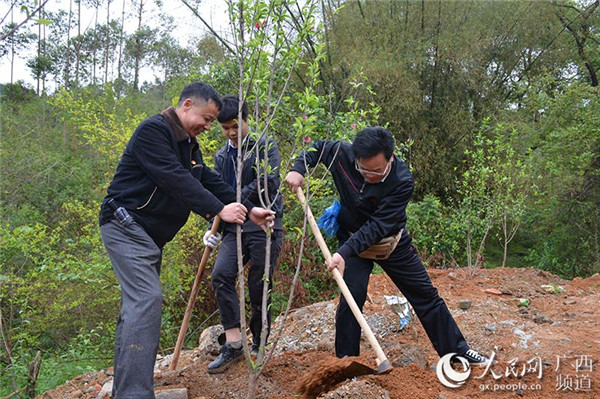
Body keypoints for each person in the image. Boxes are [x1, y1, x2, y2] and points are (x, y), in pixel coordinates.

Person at [99, 82, 274, 398]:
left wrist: (248, 211)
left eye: (212, 122)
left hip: (148, 237)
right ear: (187, 104)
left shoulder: (189, 145)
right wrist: (220, 209)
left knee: (137, 308)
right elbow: (174, 179)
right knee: (147, 300)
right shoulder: (154, 131)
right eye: (206, 119)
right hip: (125, 225)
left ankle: (126, 390)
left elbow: (208, 180)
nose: (209, 127)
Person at [284, 126, 491, 365]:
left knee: (426, 296)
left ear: (390, 158)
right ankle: (346, 362)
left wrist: (342, 253)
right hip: (353, 241)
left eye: (376, 171)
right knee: (351, 298)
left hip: (389, 243)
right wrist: (298, 168)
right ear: (356, 158)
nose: (368, 176)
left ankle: (457, 352)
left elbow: (378, 226)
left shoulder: (402, 180)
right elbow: (316, 148)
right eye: (362, 169)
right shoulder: (342, 154)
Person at [204, 96, 284, 373]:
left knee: (259, 284)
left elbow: (269, 182)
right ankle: (235, 343)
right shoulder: (221, 156)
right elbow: (216, 193)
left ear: (247, 120)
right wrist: (214, 226)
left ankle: (259, 344)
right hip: (234, 229)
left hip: (265, 225)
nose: (231, 133)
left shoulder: (265, 146)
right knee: (221, 275)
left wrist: (236, 202)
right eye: (225, 128)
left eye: (235, 126)